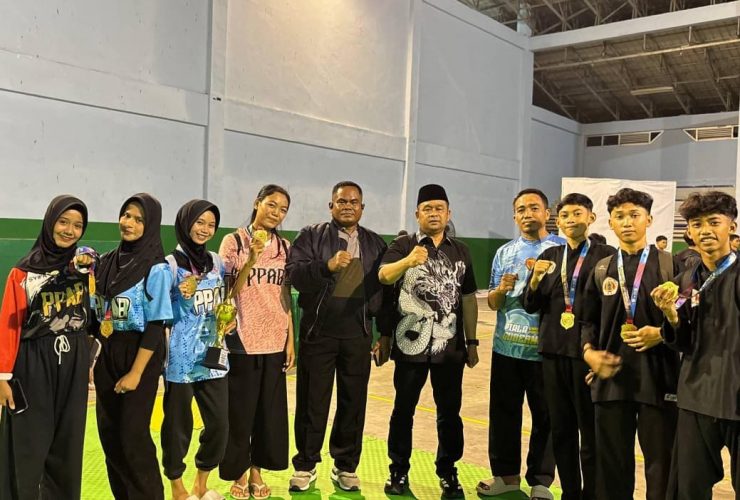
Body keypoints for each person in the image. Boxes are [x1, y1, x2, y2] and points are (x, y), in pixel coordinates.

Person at [286, 181, 391, 493]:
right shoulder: (311, 236)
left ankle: (345, 466)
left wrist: (384, 332)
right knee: (312, 402)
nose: (348, 206)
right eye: (342, 201)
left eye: (354, 202)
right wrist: (326, 266)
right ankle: (306, 464)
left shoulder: (375, 244)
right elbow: (294, 274)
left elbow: (385, 291)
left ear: (362, 208)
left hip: (358, 335)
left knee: (353, 403)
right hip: (318, 332)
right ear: (331, 206)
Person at [380, 184, 478, 499]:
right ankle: (398, 470)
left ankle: (448, 472)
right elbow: (384, 277)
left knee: (449, 413)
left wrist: (472, 342)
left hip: (449, 349)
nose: (433, 214)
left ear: (448, 214)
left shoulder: (461, 250)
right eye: (427, 209)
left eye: (439, 208)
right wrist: (408, 261)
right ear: (417, 214)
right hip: (409, 345)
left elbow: (468, 298)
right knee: (403, 410)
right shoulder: (402, 245)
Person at [580, 188, 679, 500]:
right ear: (610, 222)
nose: (627, 222)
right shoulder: (601, 269)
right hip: (612, 381)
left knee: (661, 467)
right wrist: (589, 353)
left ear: (648, 220)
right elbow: (587, 321)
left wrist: (661, 332)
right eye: (619, 216)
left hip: (659, 380)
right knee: (611, 468)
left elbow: (688, 317)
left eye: (634, 215)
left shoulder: (670, 265)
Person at [0, 196, 94, 500]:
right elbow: (9, 326)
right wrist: (2, 377)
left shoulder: (83, 269)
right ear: (50, 222)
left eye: (77, 225)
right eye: (63, 222)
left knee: (68, 443)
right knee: (27, 443)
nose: (69, 230)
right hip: (33, 364)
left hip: (73, 362)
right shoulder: (23, 273)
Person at [522, 193, 615, 500]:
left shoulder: (606, 257)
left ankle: (593, 494)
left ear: (591, 218)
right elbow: (530, 304)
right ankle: (570, 493)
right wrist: (534, 279)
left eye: (578, 213)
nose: (571, 220)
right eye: (565, 215)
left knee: (590, 431)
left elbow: (611, 309)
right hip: (552, 352)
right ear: (557, 222)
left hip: (587, 355)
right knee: (561, 430)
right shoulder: (550, 255)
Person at [652, 191, 740, 499]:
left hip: (736, 394)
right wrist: (670, 314)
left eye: (714, 222)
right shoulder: (685, 281)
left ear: (731, 226)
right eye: (697, 224)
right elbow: (683, 341)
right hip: (696, 397)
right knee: (687, 488)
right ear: (688, 231)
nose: (705, 231)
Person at [478, 188, 562, 500]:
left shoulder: (561, 250)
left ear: (547, 214)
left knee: (546, 417)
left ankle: (541, 482)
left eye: (534, 207)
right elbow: (493, 303)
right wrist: (501, 289)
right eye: (522, 209)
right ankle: (506, 477)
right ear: (515, 216)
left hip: (546, 351)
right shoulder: (504, 253)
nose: (528, 214)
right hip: (507, 349)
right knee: (504, 415)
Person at [94, 193, 174, 500]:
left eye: (139, 219)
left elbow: (156, 324)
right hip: (108, 350)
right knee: (109, 435)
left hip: (140, 352)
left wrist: (137, 373)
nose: (129, 223)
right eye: (126, 215)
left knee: (132, 437)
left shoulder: (156, 268)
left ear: (150, 225)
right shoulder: (106, 262)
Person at [218, 185, 294, 500]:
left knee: (267, 413)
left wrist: (291, 340)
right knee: (239, 412)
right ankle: (238, 470)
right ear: (257, 203)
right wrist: (250, 259)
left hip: (275, 338)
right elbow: (227, 292)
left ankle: (256, 470)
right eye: (271, 204)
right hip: (242, 339)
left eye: (283, 209)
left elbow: (285, 294)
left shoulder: (286, 247)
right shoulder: (233, 241)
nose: (276, 213)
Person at [161, 200, 230, 500]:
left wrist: (229, 319)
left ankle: (201, 482)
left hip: (212, 352)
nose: (205, 229)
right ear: (185, 223)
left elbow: (222, 299)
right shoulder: (170, 265)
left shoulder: (216, 262)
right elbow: (162, 313)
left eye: (211, 224)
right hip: (180, 357)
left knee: (219, 423)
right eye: (199, 222)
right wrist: (181, 296)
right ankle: (177, 486)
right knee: (178, 427)